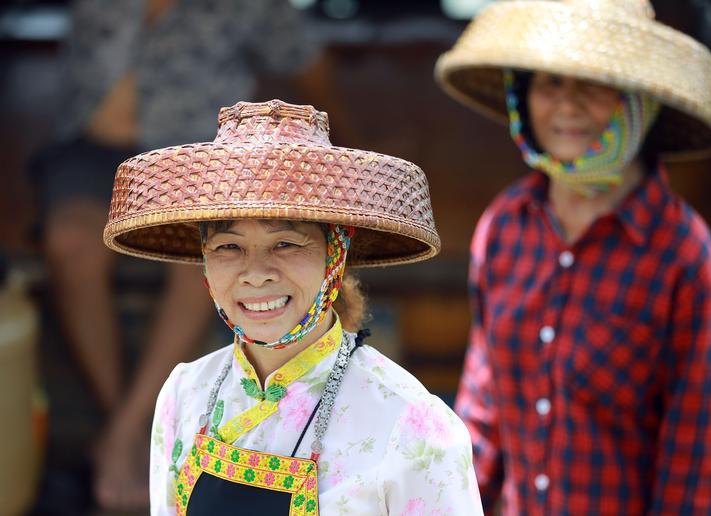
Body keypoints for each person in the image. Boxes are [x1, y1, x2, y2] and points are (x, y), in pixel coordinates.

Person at [435, 0, 711, 514]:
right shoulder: (505, 226)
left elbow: (697, 461)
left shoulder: (684, 259)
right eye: (548, 84)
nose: (567, 106)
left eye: (593, 84)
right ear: (522, 93)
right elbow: (483, 411)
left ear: (636, 101)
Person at [102, 99, 484, 514]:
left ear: (334, 255)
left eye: (285, 243)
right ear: (206, 264)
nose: (256, 272)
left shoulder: (410, 424)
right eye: (229, 246)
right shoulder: (184, 394)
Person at [30, 0, 330, 509]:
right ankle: (129, 436)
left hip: (192, 157)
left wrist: (348, 146)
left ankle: (122, 440)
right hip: (86, 150)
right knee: (72, 243)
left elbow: (307, 60)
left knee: (205, 265)